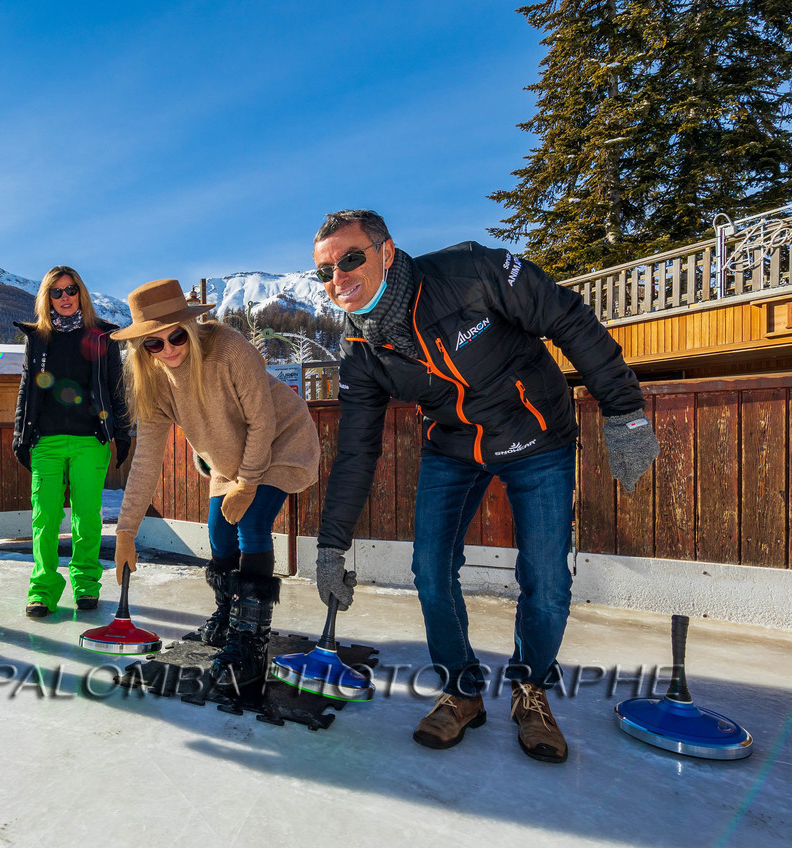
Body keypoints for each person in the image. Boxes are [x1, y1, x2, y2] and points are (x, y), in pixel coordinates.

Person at [311, 210, 657, 763]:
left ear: (386, 252)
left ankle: (531, 690)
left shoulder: (471, 271)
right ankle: (461, 690)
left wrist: (624, 413)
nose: (338, 278)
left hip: (536, 433)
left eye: (351, 259)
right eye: (324, 271)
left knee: (546, 577)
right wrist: (331, 546)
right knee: (430, 569)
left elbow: (566, 317)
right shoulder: (359, 348)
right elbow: (356, 450)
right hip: (453, 445)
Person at [111, 279, 320, 692]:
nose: (168, 349)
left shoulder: (228, 349)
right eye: (153, 343)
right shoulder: (153, 381)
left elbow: (262, 421)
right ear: (141, 348)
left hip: (281, 441)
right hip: (230, 460)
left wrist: (248, 484)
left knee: (252, 523)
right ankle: (229, 614)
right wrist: (125, 530)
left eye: (175, 336)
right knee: (219, 533)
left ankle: (250, 639)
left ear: (190, 326)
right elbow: (147, 458)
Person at [12, 266, 130, 618]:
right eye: (56, 291)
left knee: (86, 517)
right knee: (44, 518)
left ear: (81, 293)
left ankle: (86, 584)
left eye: (71, 289)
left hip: (89, 440)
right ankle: (42, 589)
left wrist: (122, 432)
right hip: (45, 441)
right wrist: (20, 435)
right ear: (46, 298)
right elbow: (26, 387)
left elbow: (116, 387)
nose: (65, 297)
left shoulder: (102, 336)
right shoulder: (38, 338)